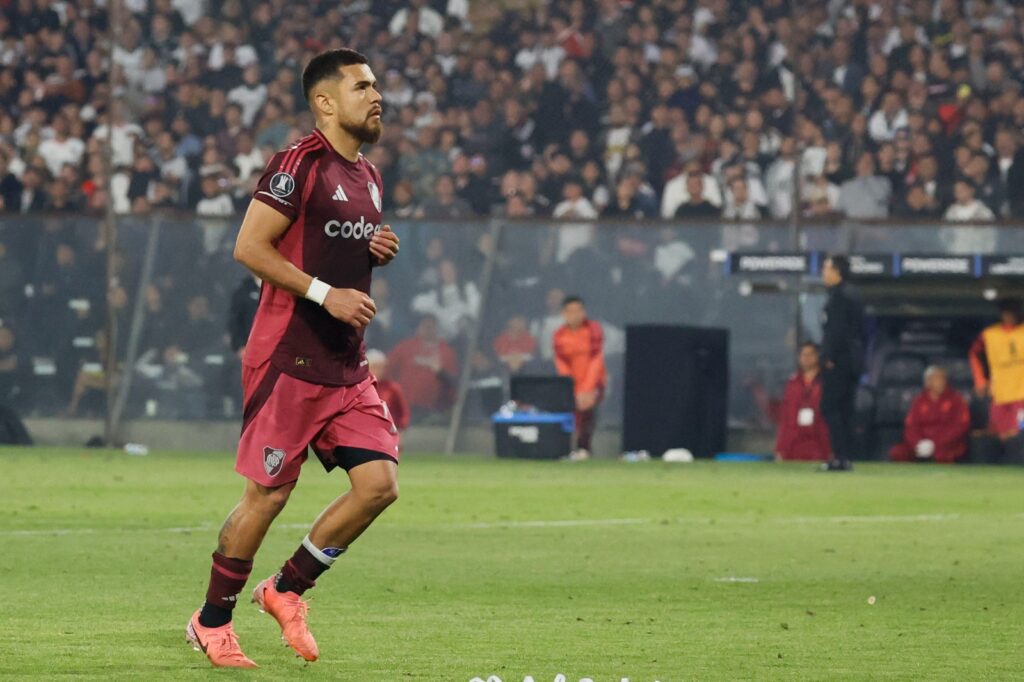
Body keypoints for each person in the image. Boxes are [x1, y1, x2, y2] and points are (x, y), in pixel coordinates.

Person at [186, 49, 402, 669]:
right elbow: (250, 247)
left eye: (377, 84)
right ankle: (211, 621)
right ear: (326, 102)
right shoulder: (297, 164)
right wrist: (323, 293)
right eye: (362, 86)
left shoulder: (370, 177)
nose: (376, 95)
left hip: (346, 364)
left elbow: (333, 247)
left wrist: (375, 249)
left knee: (379, 485)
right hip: (289, 359)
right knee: (268, 497)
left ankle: (285, 588)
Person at [819, 255, 865, 471]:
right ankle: (846, 457)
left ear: (837, 272)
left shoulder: (839, 297)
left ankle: (839, 456)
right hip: (852, 361)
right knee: (845, 409)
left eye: (826, 268)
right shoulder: (853, 295)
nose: (823, 272)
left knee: (830, 406)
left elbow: (837, 331)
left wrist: (828, 357)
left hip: (839, 362)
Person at [553, 296, 607, 461]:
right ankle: (570, 448)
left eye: (578, 310)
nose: (575, 315)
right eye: (570, 311)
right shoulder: (559, 335)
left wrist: (587, 389)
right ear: (564, 313)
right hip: (572, 385)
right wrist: (572, 389)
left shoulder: (593, 330)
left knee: (587, 414)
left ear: (584, 312)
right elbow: (561, 363)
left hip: (594, 383)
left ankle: (584, 449)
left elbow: (596, 360)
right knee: (573, 414)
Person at [969, 298, 1024, 440]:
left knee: (1018, 434)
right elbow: (974, 353)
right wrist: (980, 379)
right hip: (999, 392)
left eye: (1013, 313)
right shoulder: (990, 334)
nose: (1010, 317)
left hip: (1021, 392)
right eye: (1007, 313)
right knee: (998, 434)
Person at [889, 366, 970, 463]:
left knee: (944, 455)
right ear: (928, 382)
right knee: (897, 452)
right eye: (936, 379)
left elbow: (961, 426)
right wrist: (918, 443)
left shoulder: (956, 399)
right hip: (921, 444)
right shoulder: (919, 400)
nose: (940, 382)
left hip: (945, 444)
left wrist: (935, 443)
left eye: (942, 378)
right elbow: (911, 426)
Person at [774, 343, 832, 462]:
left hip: (819, 440)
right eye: (803, 355)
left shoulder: (827, 381)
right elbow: (785, 417)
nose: (806, 358)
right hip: (794, 442)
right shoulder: (793, 382)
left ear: (817, 356)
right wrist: (780, 447)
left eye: (810, 354)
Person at [366, 349, 409, 433]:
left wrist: (399, 430)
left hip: (388, 433)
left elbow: (403, 413)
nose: (379, 370)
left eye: (382, 367)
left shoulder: (393, 389)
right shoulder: (358, 388)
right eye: (375, 366)